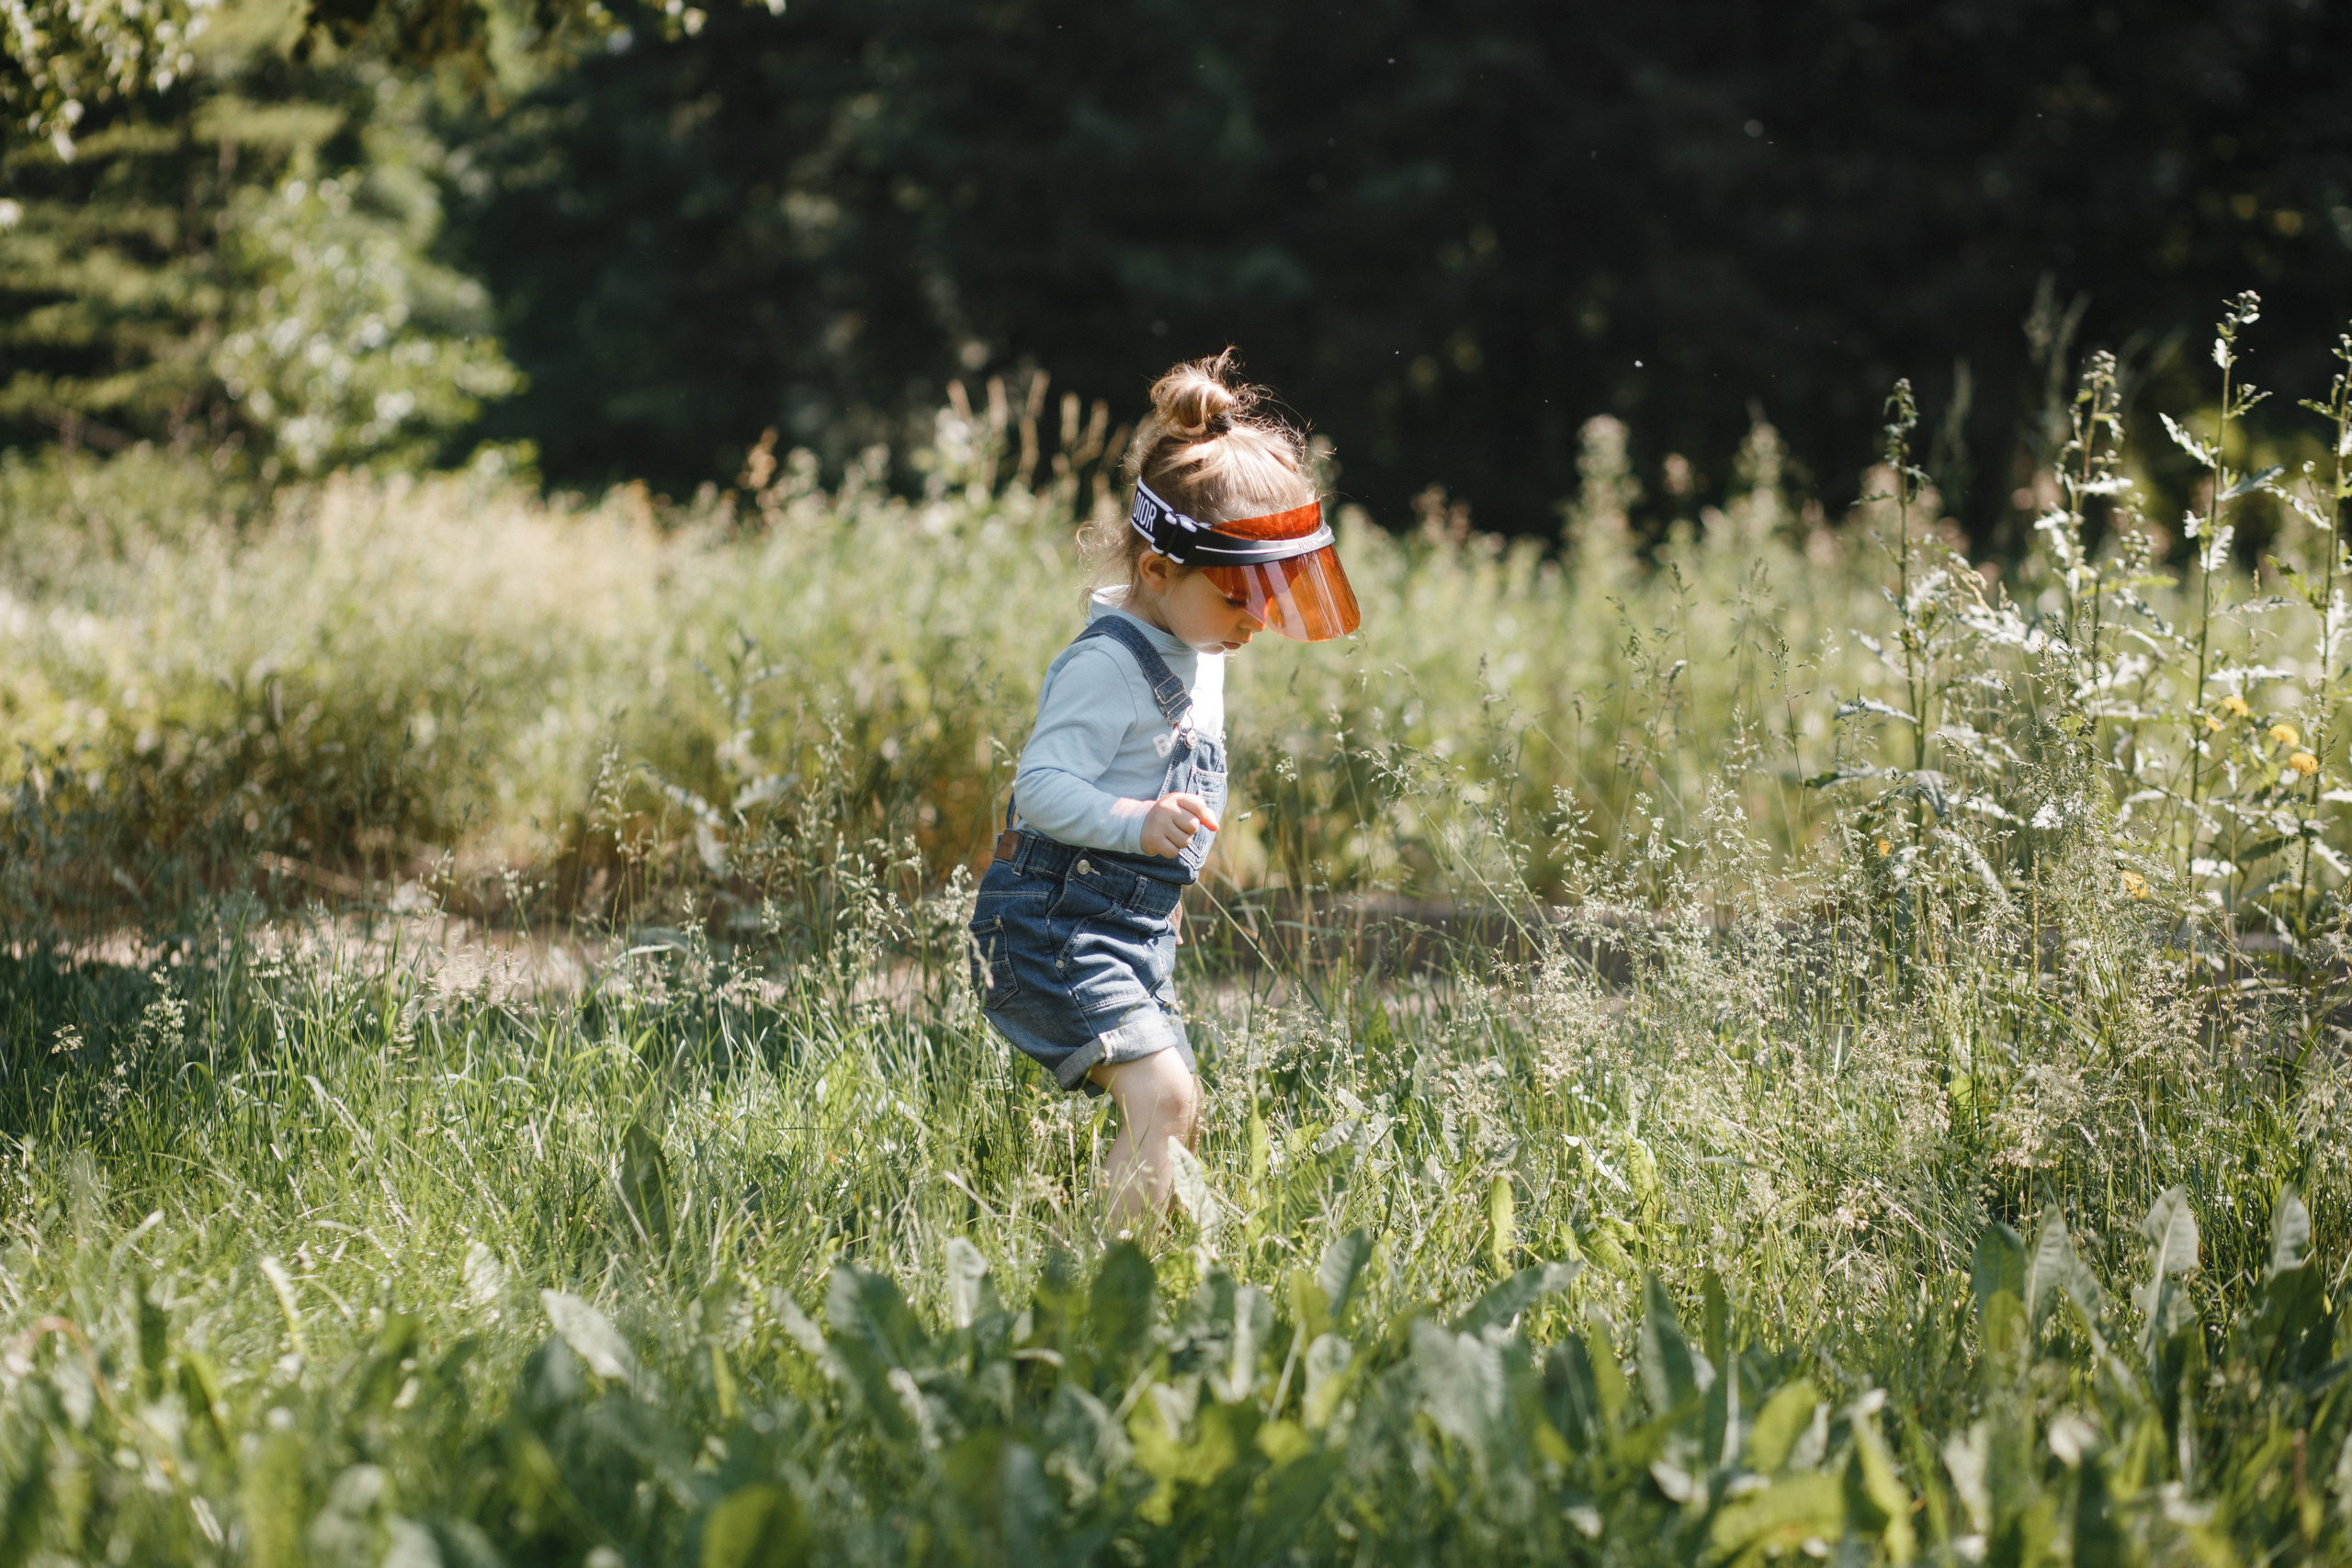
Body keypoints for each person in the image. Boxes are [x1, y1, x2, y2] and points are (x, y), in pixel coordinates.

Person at [968, 350, 1362, 1228]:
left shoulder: (1203, 640)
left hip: (1128, 927)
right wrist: (1134, 820)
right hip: (1050, 921)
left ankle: (1144, 1267)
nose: (1258, 619)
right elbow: (1039, 789)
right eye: (1239, 596)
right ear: (1156, 573)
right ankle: (1099, 1284)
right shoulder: (1108, 665)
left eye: (1274, 593)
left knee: (1177, 1111)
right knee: (1163, 1096)